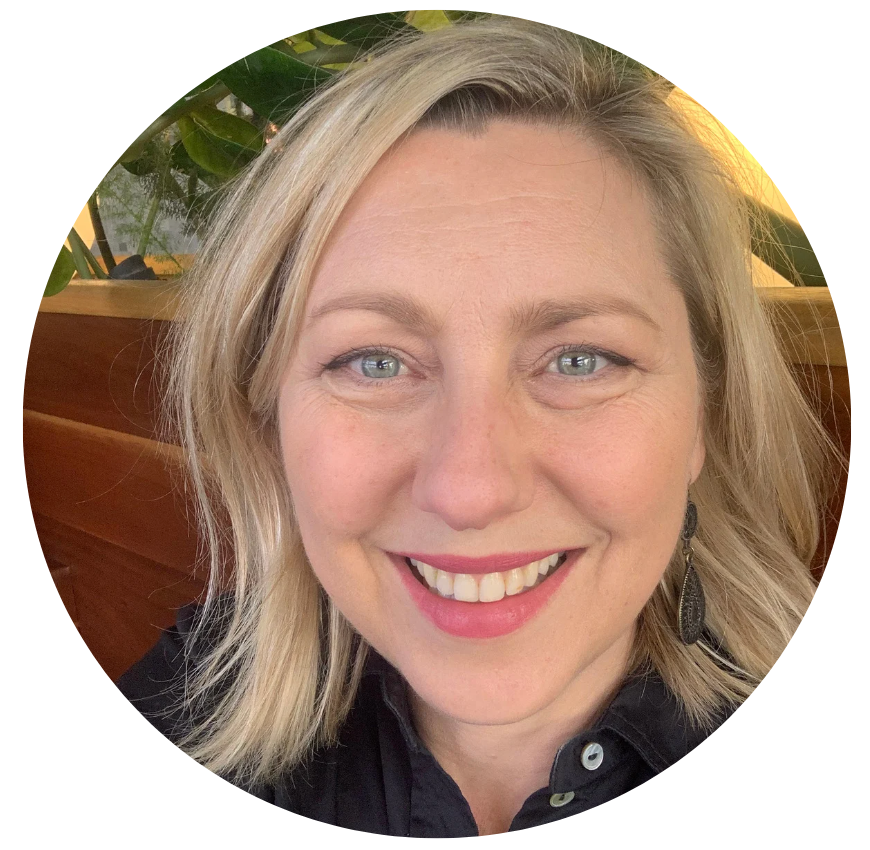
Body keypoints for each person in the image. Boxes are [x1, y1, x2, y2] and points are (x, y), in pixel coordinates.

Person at [118, 16, 840, 836]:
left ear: (704, 411)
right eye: (374, 362)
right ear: (268, 420)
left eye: (581, 360)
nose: (470, 490)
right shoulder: (187, 704)